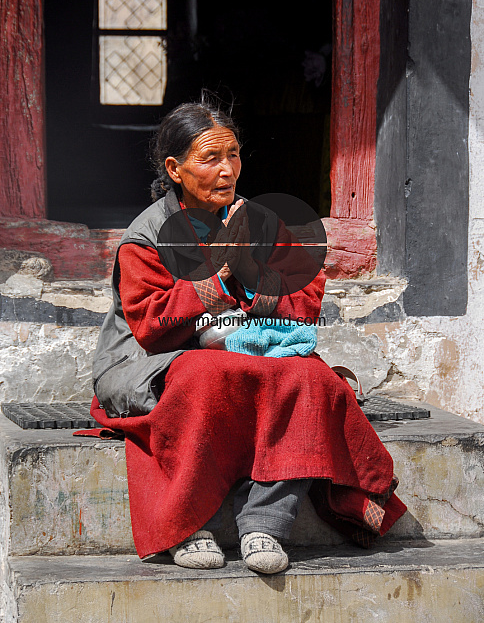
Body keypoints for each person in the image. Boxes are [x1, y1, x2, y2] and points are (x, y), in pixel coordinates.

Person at [91, 96, 406, 575]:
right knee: (206, 374)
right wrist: (218, 280)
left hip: (241, 352)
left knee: (310, 381)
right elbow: (152, 327)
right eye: (210, 158)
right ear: (175, 169)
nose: (227, 170)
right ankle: (189, 522)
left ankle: (264, 522)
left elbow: (307, 299)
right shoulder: (147, 236)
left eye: (233, 154)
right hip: (146, 363)